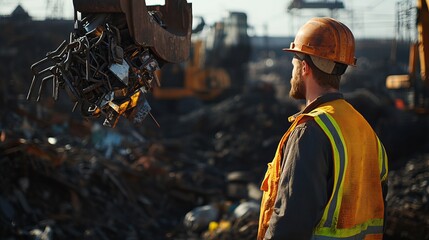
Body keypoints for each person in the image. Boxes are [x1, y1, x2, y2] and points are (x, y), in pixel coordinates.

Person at [257, 17, 388, 240]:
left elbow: (291, 225)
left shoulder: (310, 130)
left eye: (294, 65)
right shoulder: (364, 130)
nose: (292, 74)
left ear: (304, 68)